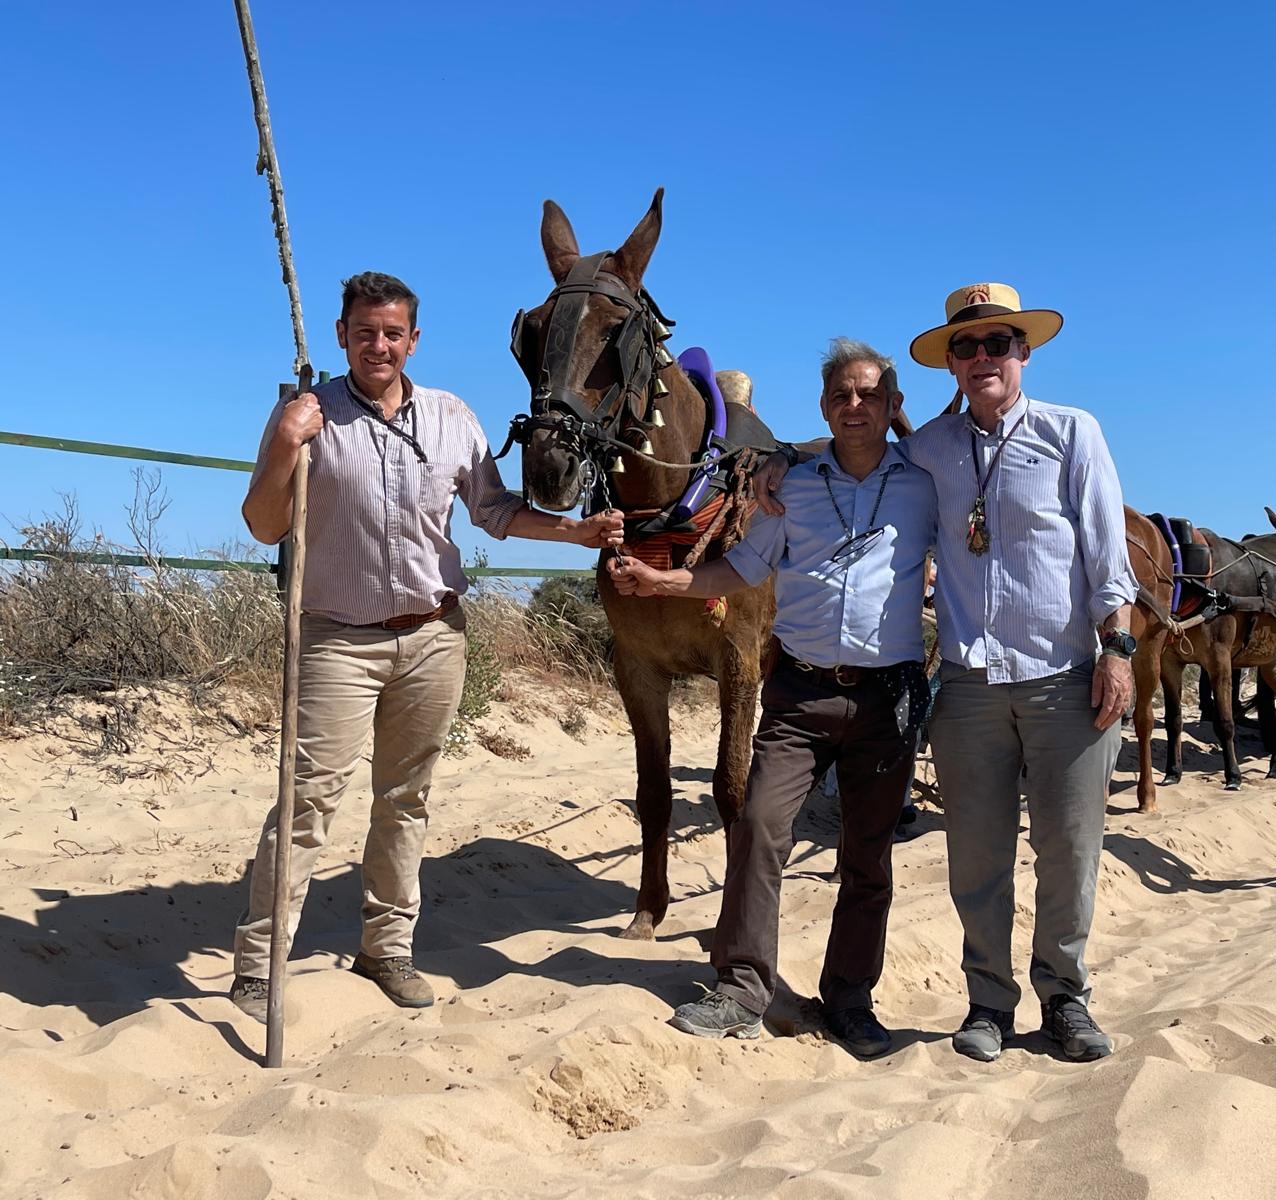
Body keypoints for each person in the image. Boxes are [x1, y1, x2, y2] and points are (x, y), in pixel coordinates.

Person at [755, 283, 1136, 1064]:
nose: (981, 358)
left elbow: (1108, 559)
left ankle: (1065, 998)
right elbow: (852, 451)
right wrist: (777, 458)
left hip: (1065, 676)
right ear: (950, 364)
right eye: (966, 346)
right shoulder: (928, 448)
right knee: (978, 856)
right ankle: (988, 1002)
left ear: (1022, 353)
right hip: (966, 687)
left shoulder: (1073, 435)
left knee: (1069, 850)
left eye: (997, 343)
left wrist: (1119, 653)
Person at [230, 272, 623, 1022]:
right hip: (337, 639)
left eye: (393, 333)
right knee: (307, 800)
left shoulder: (451, 417)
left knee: (405, 800)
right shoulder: (306, 415)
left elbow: (495, 510)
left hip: (434, 636)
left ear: (413, 341)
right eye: (365, 331)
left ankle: (386, 949)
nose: (379, 345)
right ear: (344, 336)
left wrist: (573, 530)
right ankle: (259, 964)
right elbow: (263, 523)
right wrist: (285, 444)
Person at [609, 338, 936, 1059]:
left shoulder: (925, 484)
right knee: (758, 825)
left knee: (867, 857)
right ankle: (743, 987)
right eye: (842, 396)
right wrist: (666, 584)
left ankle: (850, 998)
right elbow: (743, 566)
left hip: (886, 700)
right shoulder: (790, 487)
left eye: (869, 395)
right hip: (801, 693)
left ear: (890, 406)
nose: (855, 407)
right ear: (824, 406)